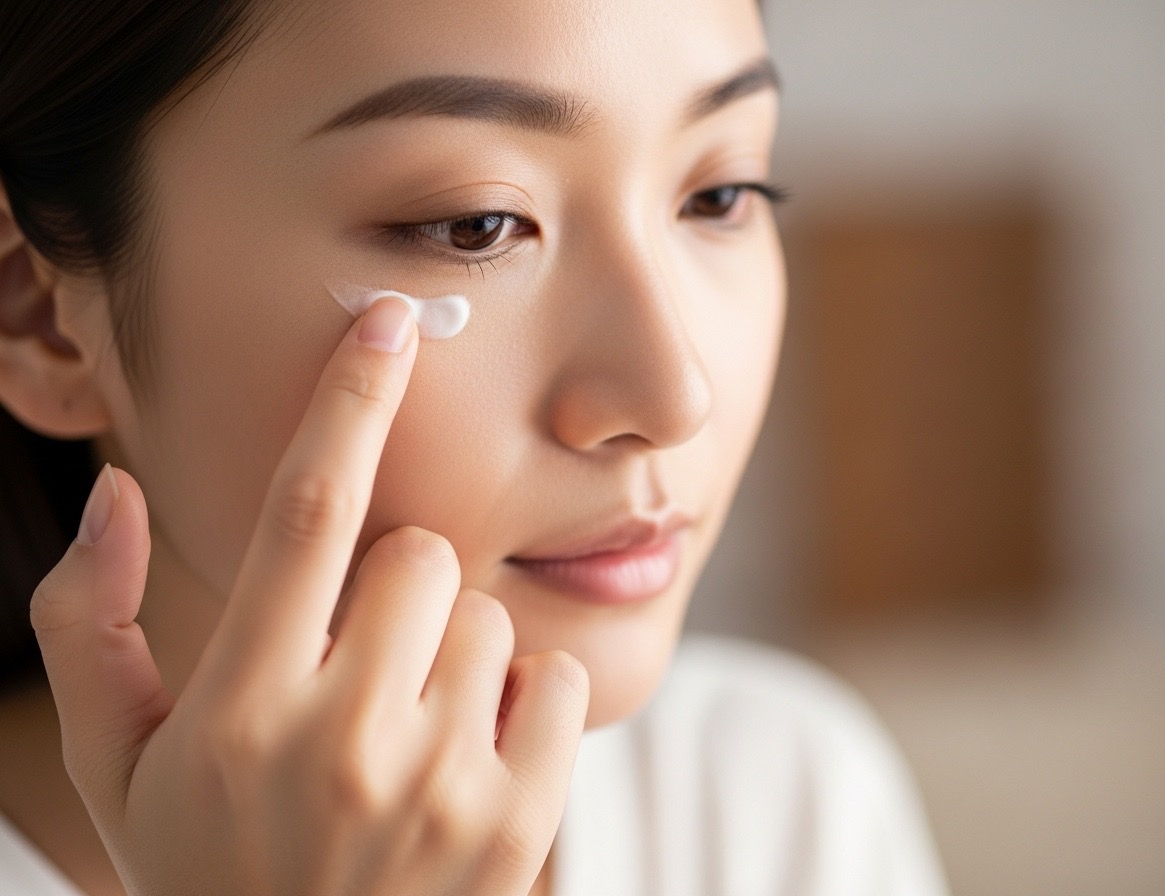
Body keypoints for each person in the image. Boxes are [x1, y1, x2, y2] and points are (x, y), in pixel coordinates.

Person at [0, 1, 950, 893]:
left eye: (719, 194)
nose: (675, 396)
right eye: (473, 224)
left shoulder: (768, 801)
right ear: (39, 317)